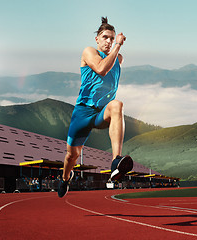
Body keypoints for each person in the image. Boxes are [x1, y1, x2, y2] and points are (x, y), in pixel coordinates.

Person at [58, 17, 133, 198]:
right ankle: (65, 178)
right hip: (83, 112)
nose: (109, 41)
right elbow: (101, 69)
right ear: (97, 39)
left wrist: (116, 50)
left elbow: (113, 64)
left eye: (112, 38)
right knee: (72, 156)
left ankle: (116, 161)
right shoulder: (89, 52)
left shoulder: (118, 58)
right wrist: (118, 45)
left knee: (117, 105)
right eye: (105, 37)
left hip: (102, 112)